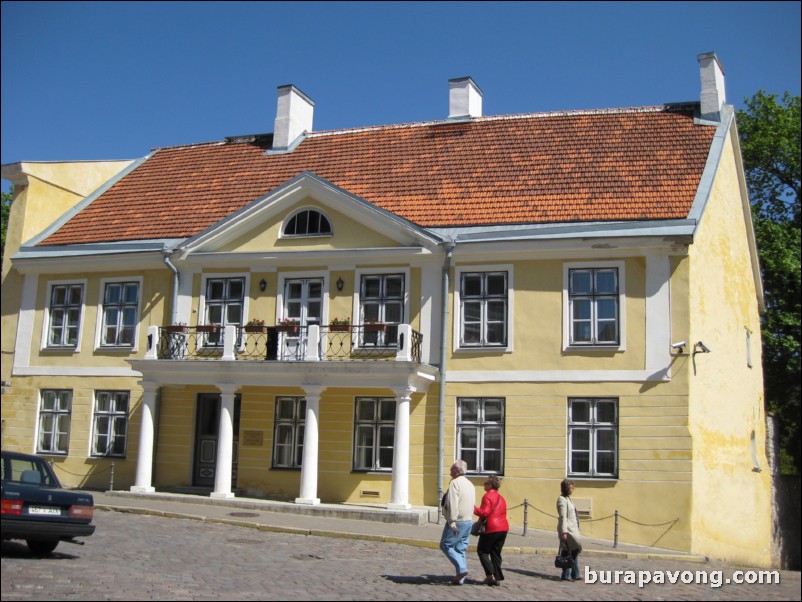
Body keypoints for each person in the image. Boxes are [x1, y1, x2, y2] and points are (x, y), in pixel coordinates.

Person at [440, 460, 476, 585]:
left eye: (451, 469)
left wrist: (452, 520)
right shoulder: (470, 484)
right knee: (461, 548)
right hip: (468, 520)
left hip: (458, 520)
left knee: (445, 545)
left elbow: (452, 502)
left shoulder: (455, 483)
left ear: (456, 470)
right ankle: (460, 578)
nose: (450, 471)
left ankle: (462, 570)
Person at [473, 475, 509, 586]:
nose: (484, 485)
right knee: (496, 553)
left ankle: (490, 575)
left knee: (482, 551)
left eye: (485, 483)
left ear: (489, 485)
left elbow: (485, 512)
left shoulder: (487, 496)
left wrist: (473, 508)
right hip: (503, 528)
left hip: (491, 528)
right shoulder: (501, 497)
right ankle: (497, 577)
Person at [556, 478, 582, 581]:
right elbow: (563, 516)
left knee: (574, 550)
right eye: (571, 487)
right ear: (567, 488)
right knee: (568, 552)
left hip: (573, 529)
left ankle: (575, 574)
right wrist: (564, 531)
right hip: (568, 530)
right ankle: (567, 575)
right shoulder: (562, 499)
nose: (573, 489)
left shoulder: (568, 498)